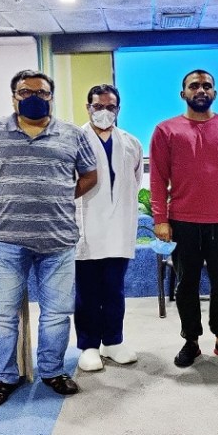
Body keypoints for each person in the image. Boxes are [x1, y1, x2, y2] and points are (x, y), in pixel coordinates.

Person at [0, 69, 97, 405]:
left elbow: (90, 175)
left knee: (56, 313)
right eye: (25, 92)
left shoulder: (72, 134)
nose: (34, 97)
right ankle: (3, 377)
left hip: (58, 240)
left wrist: (61, 196)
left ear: (51, 97)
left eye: (42, 92)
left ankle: (52, 371)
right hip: (7, 239)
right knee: (1, 314)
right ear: (14, 97)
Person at [150, 69, 218, 368]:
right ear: (183, 93)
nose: (201, 90)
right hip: (182, 221)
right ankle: (191, 341)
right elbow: (157, 177)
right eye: (194, 86)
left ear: (215, 93)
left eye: (206, 86)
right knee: (186, 284)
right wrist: (160, 219)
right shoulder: (165, 130)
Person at [74, 84, 143, 372]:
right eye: (98, 106)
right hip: (85, 227)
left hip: (118, 229)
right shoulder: (74, 140)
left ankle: (113, 341)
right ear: (88, 108)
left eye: (110, 107)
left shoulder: (131, 143)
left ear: (118, 109)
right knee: (87, 292)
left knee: (114, 289)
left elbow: (134, 182)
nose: (104, 112)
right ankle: (89, 346)